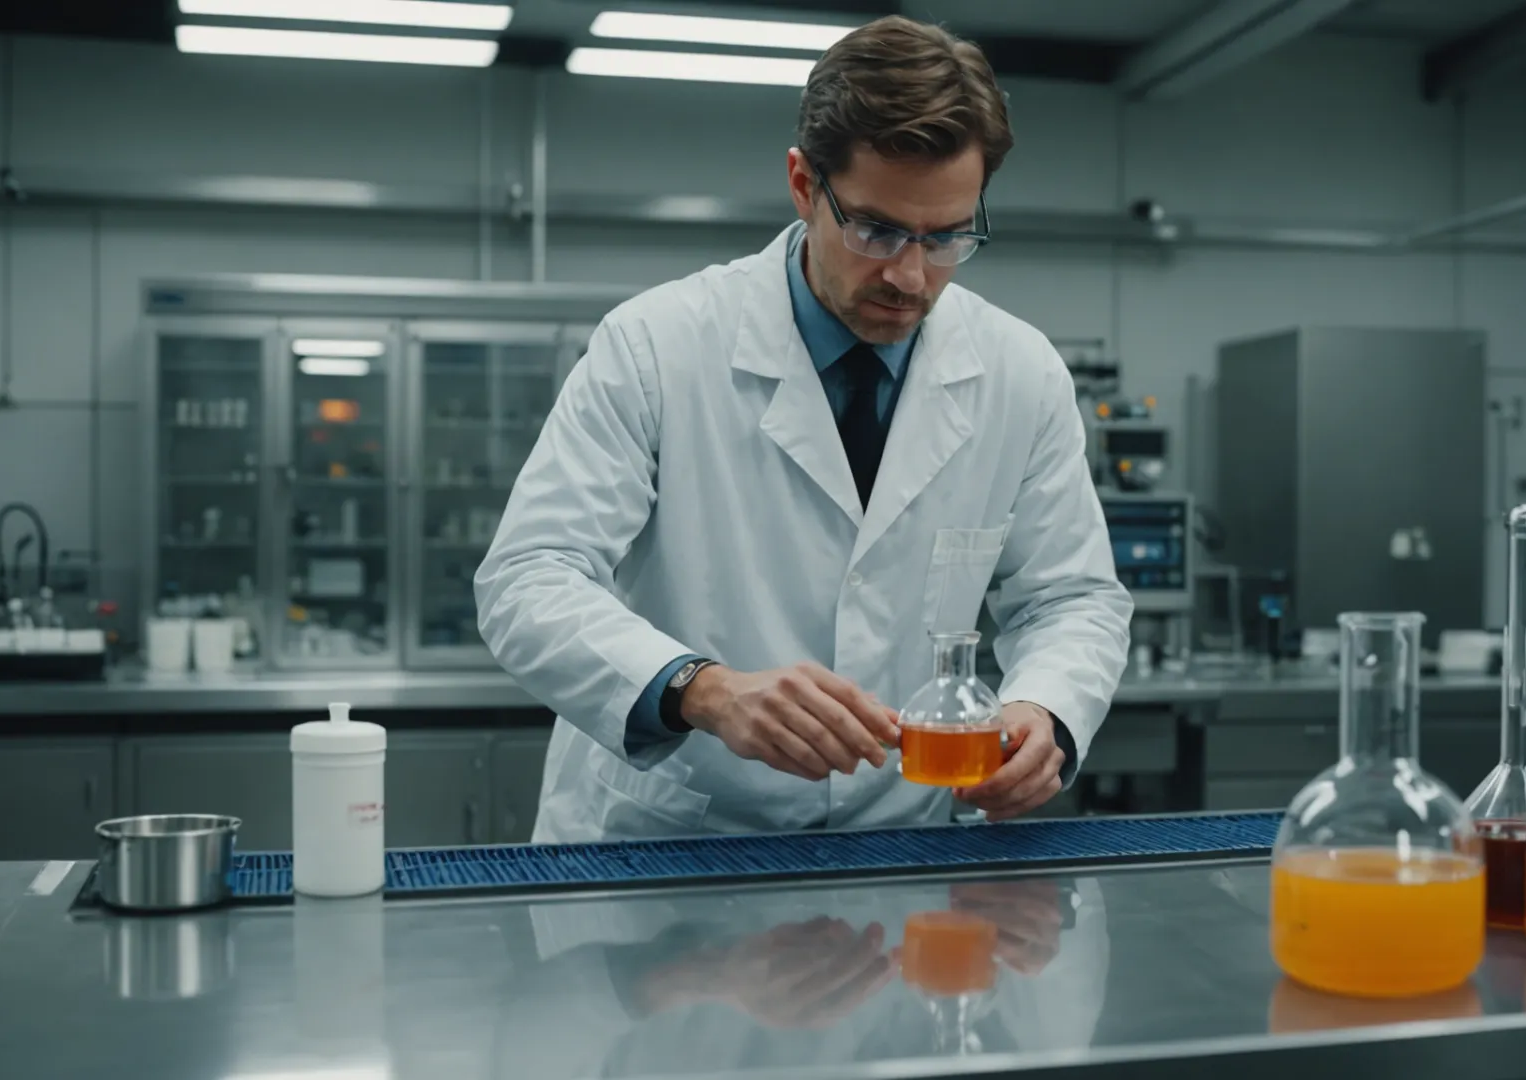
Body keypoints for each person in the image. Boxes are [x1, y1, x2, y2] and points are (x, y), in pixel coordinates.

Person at [475, 14, 1132, 843]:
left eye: (948, 238)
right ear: (801, 184)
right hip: (670, 844)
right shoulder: (656, 345)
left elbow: (1070, 597)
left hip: (900, 841)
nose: (910, 275)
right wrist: (702, 690)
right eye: (876, 229)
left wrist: (1048, 710)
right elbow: (528, 579)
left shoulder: (1019, 371)